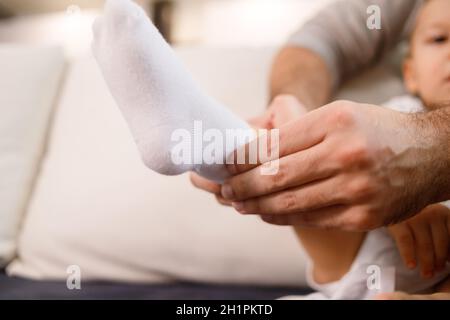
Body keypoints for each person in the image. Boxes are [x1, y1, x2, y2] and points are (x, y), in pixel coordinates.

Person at [190, 0, 450, 299]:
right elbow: (318, 41)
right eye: (439, 39)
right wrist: (407, 201)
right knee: (317, 159)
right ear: (410, 74)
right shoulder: (397, 116)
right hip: (359, 263)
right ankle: (247, 150)